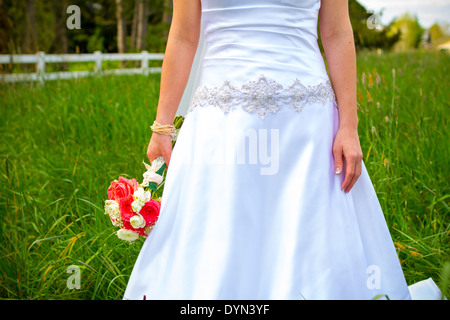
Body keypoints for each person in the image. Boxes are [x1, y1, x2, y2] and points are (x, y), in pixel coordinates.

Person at [123, 0, 412, 300]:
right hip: (220, 125)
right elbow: (183, 35)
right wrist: (162, 127)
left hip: (308, 126)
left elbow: (337, 33)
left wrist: (349, 127)